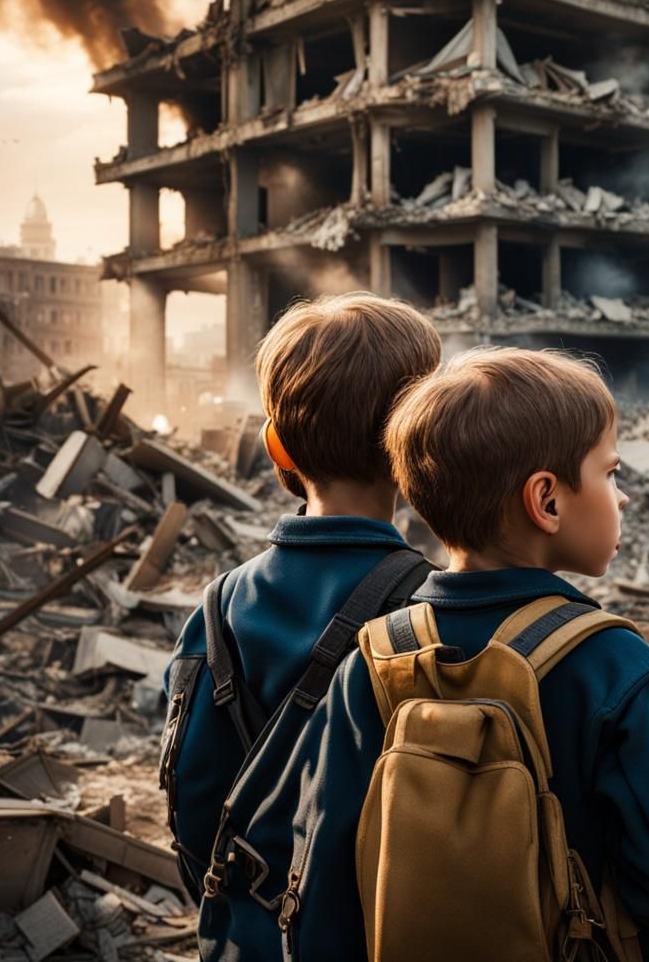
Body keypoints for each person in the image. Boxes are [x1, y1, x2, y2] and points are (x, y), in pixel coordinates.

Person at [280, 346, 649, 962]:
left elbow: (320, 877)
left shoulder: (372, 664)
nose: (622, 498)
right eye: (610, 474)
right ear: (548, 502)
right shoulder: (617, 670)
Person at [159, 292, 440, 903]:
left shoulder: (216, 610)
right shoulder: (434, 615)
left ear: (275, 445)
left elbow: (191, 807)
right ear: (419, 444)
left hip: (242, 931)